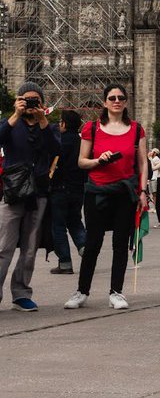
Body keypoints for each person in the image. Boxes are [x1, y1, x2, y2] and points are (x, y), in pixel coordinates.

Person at [64, 84, 148, 311]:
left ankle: (116, 292)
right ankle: (82, 291)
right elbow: (82, 161)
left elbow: (142, 163)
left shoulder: (136, 129)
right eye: (112, 98)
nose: (117, 101)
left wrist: (143, 191)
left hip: (125, 193)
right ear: (104, 102)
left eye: (121, 97)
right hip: (97, 192)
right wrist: (100, 160)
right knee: (92, 243)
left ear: (126, 102)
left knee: (120, 244)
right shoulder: (92, 128)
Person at [0, 81, 61, 311]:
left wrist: (43, 118)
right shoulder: (11, 124)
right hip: (13, 193)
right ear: (18, 100)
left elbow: (56, 149)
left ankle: (21, 293)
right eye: (26, 99)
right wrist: (15, 114)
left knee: (29, 248)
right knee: (3, 247)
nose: (30, 103)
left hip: (38, 193)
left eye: (35, 99)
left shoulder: (49, 127)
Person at [48, 108, 87, 274]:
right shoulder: (82, 143)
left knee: (58, 226)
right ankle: (86, 248)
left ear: (64, 123)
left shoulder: (59, 141)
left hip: (59, 189)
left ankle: (65, 263)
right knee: (75, 221)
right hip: (78, 189)